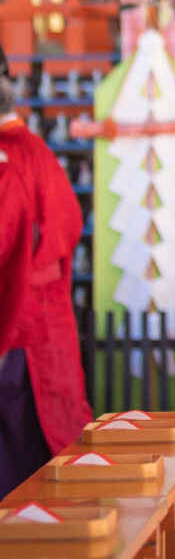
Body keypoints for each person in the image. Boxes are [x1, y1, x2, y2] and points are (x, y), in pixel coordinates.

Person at [0, 44, 93, 496]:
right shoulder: (34, 150)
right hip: (43, 325)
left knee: (20, 469)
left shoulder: (8, 159)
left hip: (15, 330)